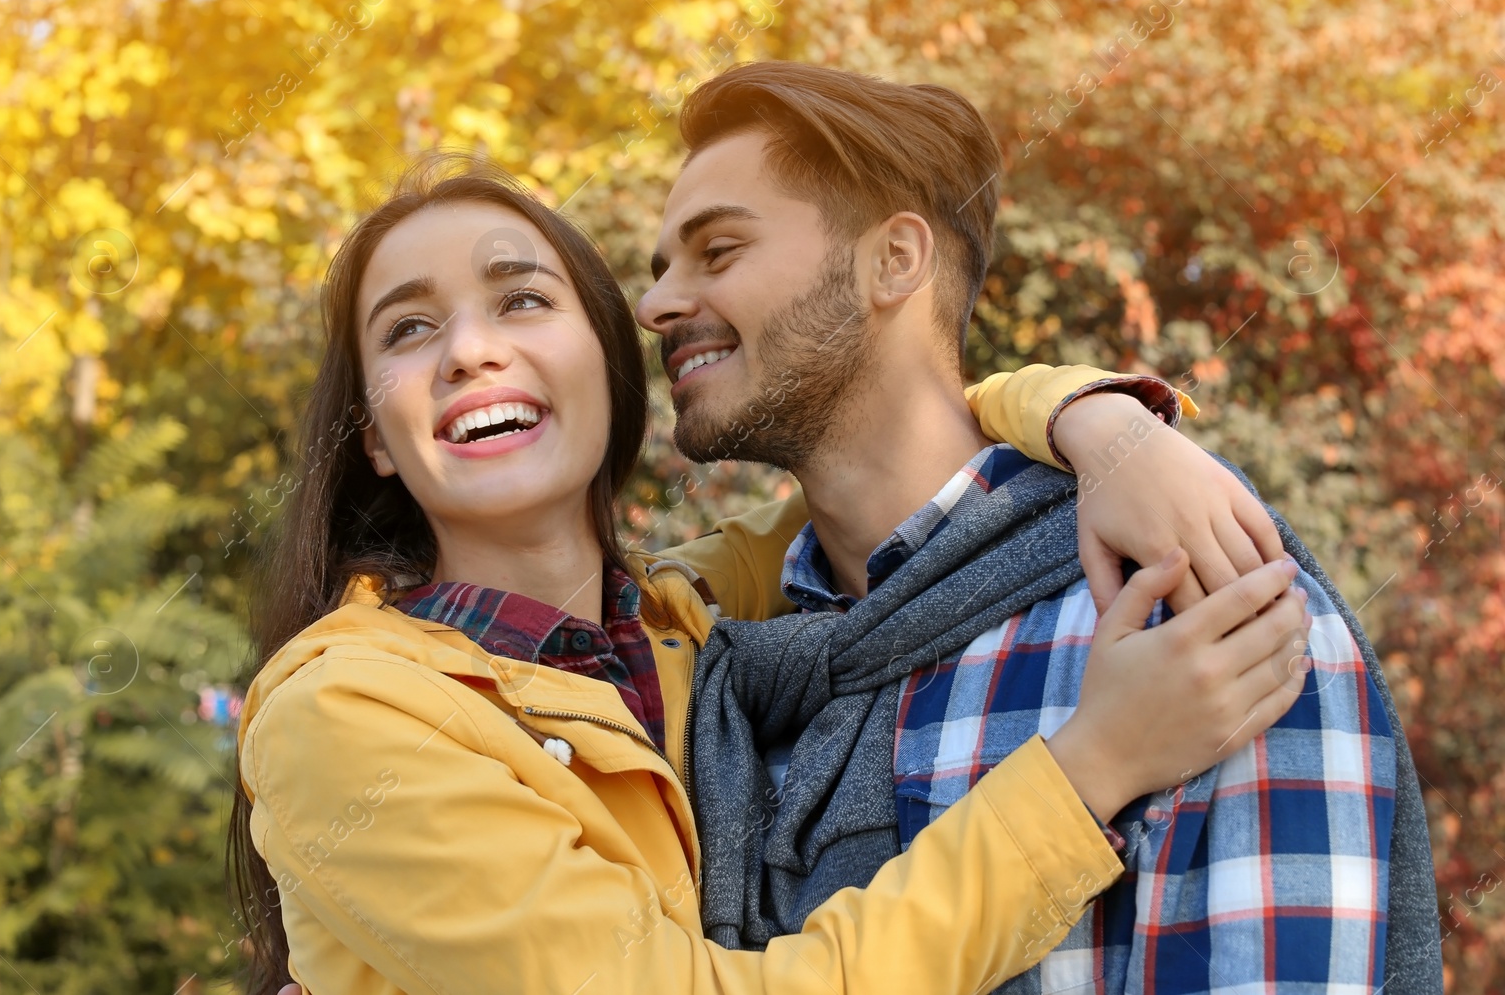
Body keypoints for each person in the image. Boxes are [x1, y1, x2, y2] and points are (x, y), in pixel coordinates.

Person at [230, 160, 1309, 994]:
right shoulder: (346, 711)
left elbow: (892, 445)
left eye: (519, 300)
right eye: (409, 328)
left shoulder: (685, 612)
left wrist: (1103, 422)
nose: (467, 349)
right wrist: (1091, 766)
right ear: (374, 436)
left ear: (607, 363)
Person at [637, 62, 1440, 994]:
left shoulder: (1183, 599)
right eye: (661, 271)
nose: (656, 304)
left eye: (719, 251)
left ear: (894, 261)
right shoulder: (734, 679)